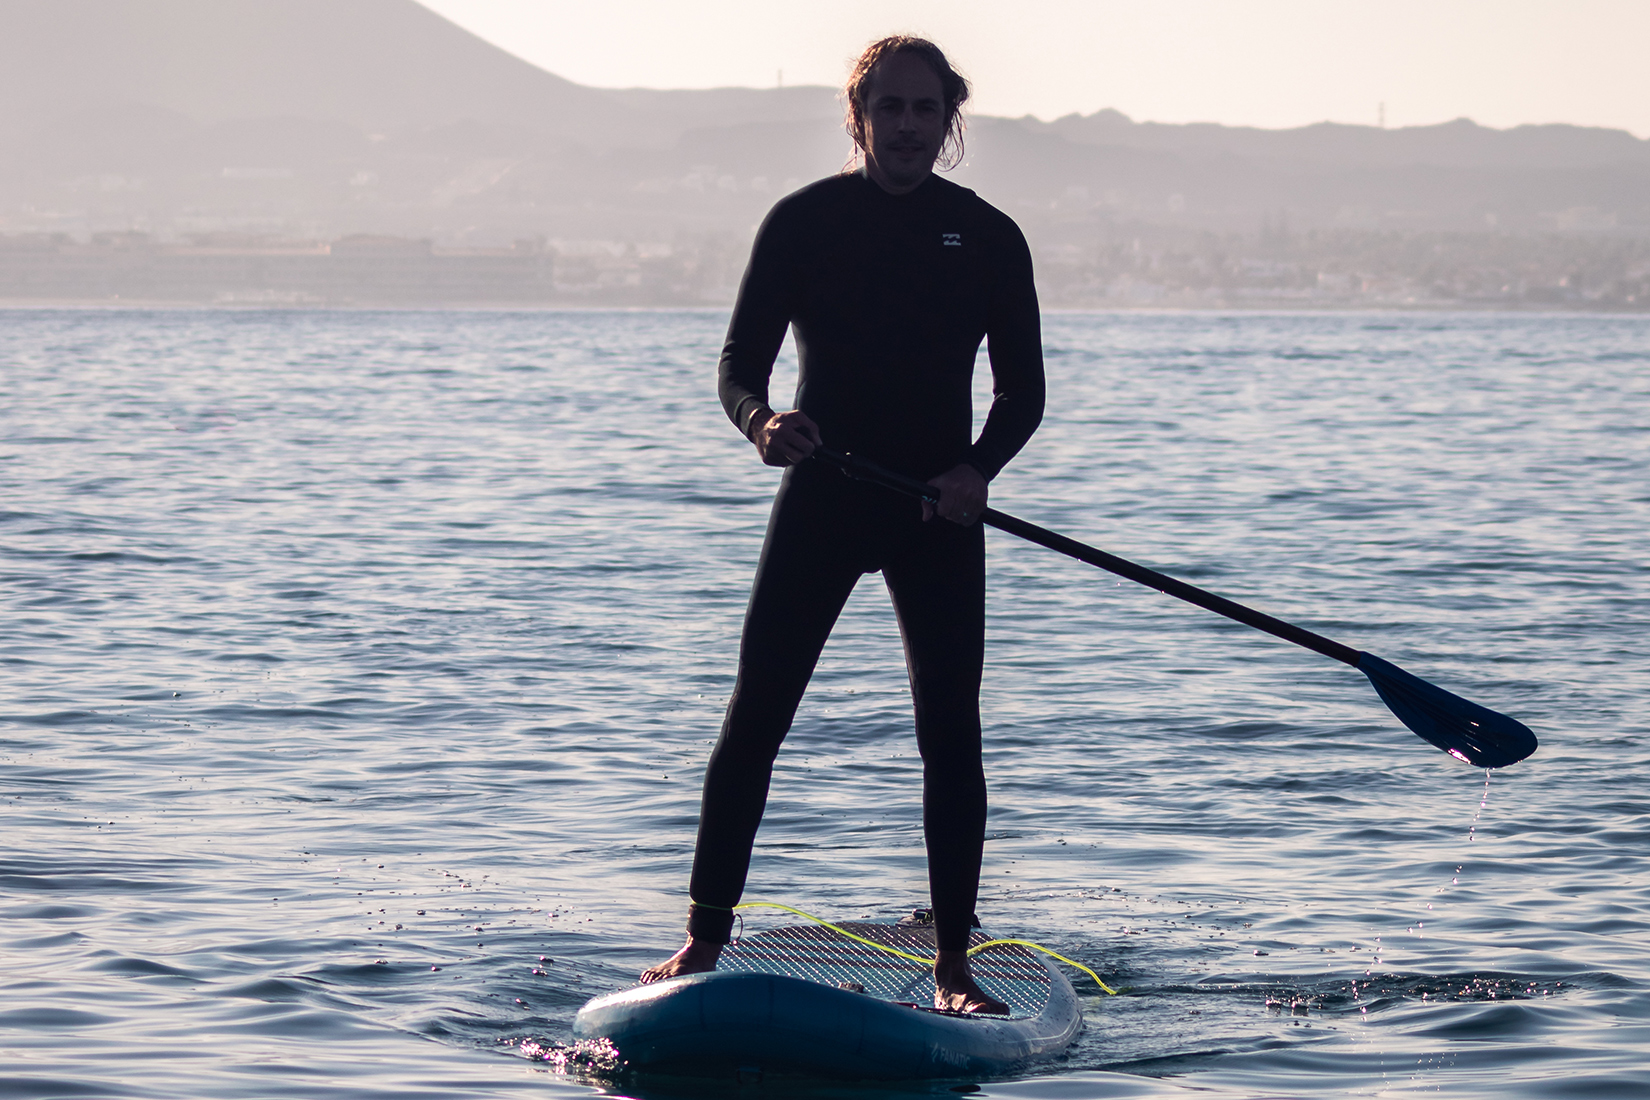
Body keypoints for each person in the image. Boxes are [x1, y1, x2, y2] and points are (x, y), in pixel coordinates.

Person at [640, 35, 1044, 1015]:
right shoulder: (804, 223)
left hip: (933, 512)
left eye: (925, 108)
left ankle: (954, 968)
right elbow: (739, 364)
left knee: (950, 731)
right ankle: (703, 935)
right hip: (826, 491)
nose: (907, 125)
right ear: (857, 116)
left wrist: (974, 471)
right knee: (757, 714)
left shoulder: (989, 236)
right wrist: (761, 422)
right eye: (889, 108)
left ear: (951, 117)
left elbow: (1023, 393)